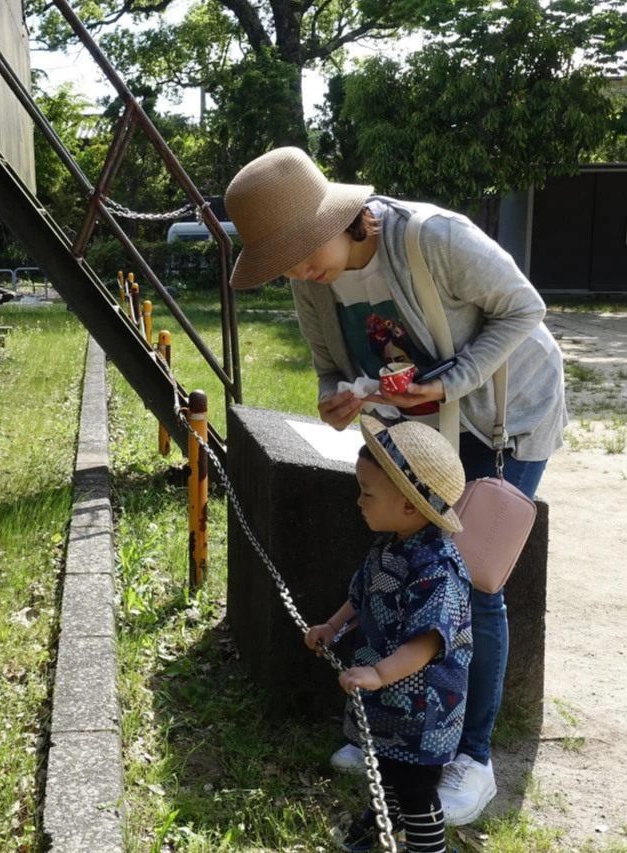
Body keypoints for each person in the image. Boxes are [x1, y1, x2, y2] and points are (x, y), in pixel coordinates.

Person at [225, 147, 567, 825]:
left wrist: (446, 383)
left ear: (339, 217)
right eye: (285, 264)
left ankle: (470, 756)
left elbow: (523, 308)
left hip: (505, 416)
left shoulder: (432, 237)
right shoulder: (312, 281)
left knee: (470, 583)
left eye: (303, 253)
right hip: (422, 428)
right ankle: (394, 730)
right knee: (400, 564)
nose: (300, 272)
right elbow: (330, 368)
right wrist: (335, 399)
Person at [306, 416, 472, 853]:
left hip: (424, 710)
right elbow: (361, 596)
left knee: (417, 786)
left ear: (409, 506)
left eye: (367, 492)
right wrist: (333, 626)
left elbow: (426, 642)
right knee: (385, 765)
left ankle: (427, 846)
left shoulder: (437, 569)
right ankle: (383, 817)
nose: (358, 501)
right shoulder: (389, 545)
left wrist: (379, 674)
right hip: (385, 696)